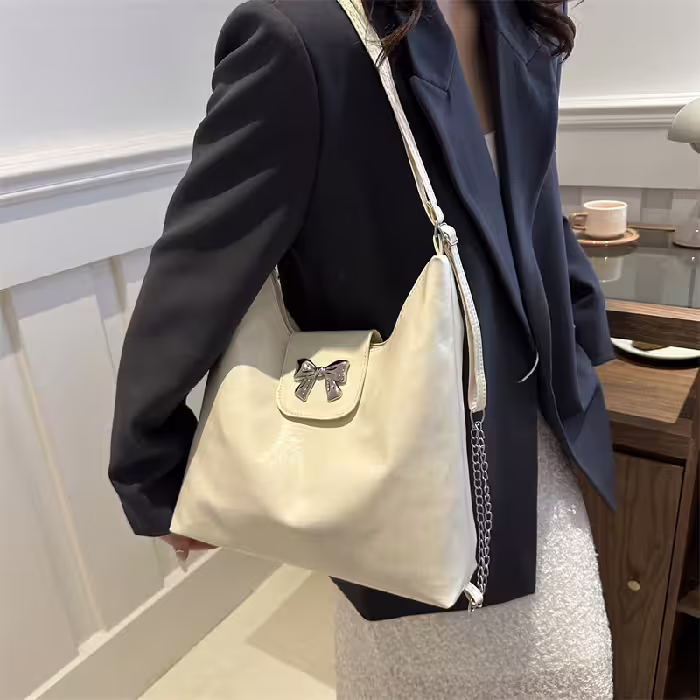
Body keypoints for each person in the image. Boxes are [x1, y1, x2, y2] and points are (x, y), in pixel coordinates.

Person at [109, 0, 615, 696]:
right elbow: (198, 267)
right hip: (409, 471)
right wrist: (156, 472)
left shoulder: (525, 17)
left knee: (577, 666)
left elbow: (532, 198)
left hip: (541, 438)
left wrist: (583, 330)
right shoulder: (305, 36)